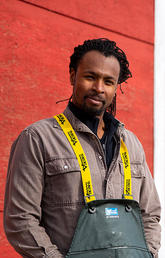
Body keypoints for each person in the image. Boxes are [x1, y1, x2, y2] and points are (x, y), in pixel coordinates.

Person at [4, 38, 161, 258]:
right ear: (72, 75)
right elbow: (20, 220)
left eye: (108, 81)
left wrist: (146, 254)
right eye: (90, 77)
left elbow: (151, 215)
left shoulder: (131, 144)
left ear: (116, 87)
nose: (98, 88)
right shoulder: (38, 139)